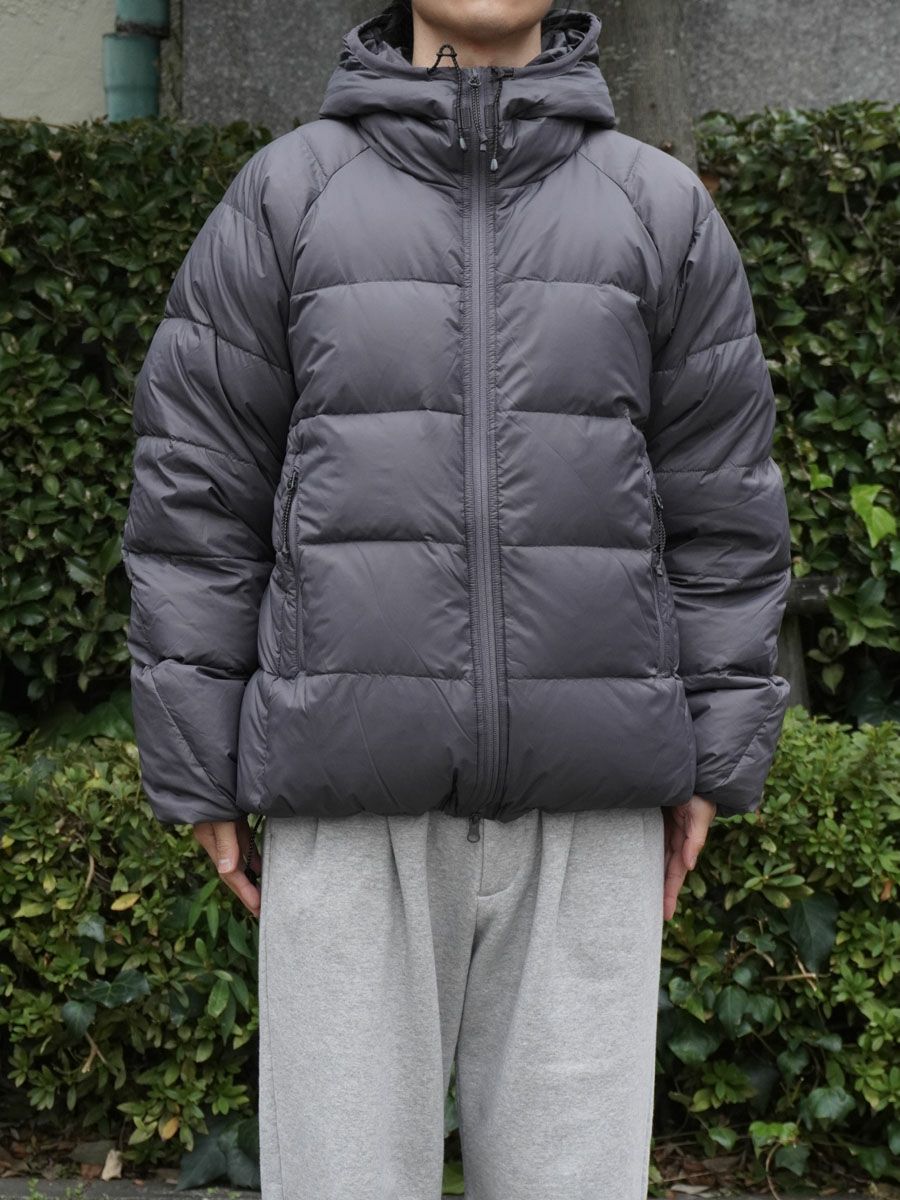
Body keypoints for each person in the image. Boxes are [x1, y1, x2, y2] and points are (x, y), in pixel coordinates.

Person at [121, 1, 793, 1196]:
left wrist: (714, 746)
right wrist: (196, 756)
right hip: (346, 806)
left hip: (590, 812)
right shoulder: (287, 198)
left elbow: (724, 503)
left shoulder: (659, 209)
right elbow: (196, 490)